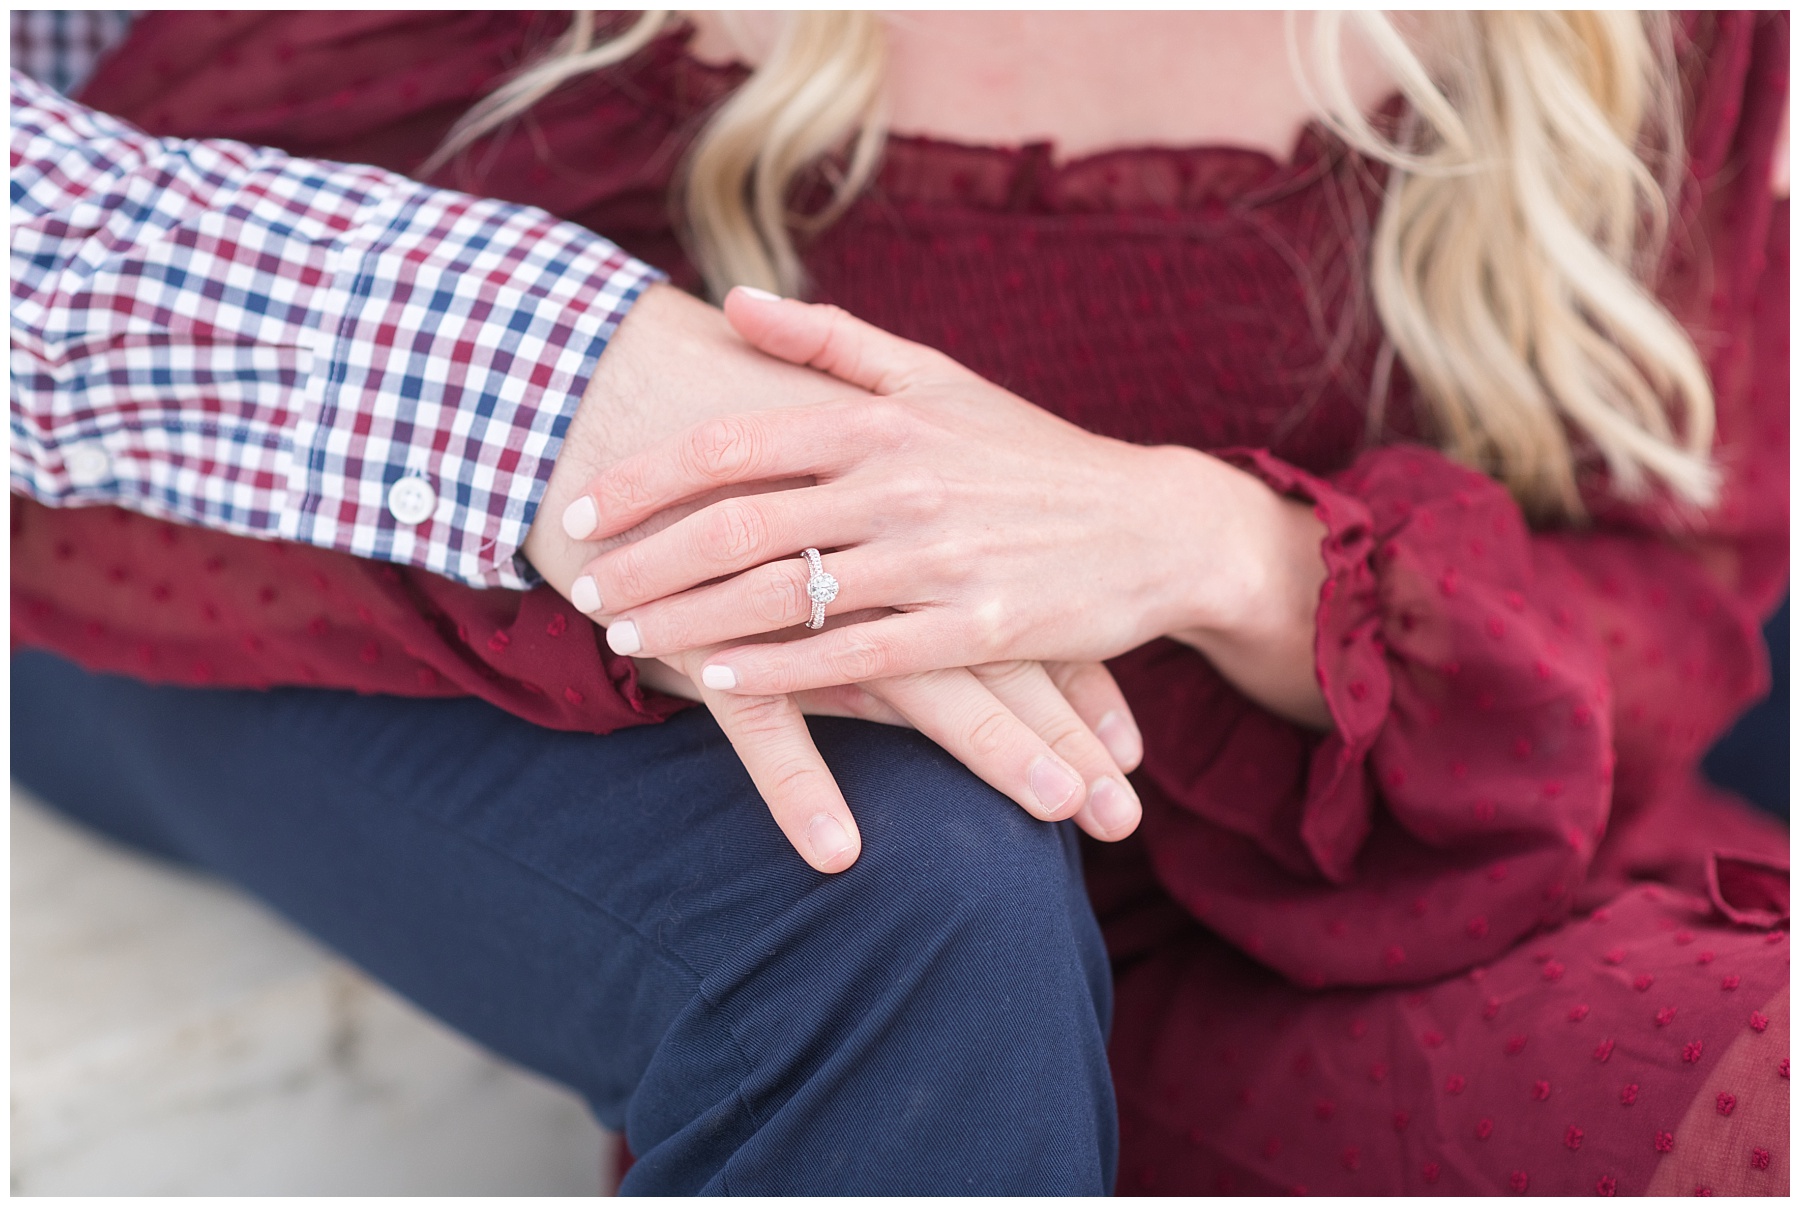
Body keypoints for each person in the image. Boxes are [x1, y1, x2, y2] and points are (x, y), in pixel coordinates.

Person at [11, 10, 1789, 1195]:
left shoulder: (1599, 45)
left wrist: (1234, 552)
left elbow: (1683, 586)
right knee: (908, 887)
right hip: (373, 608)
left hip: (1370, 845)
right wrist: (559, 380)